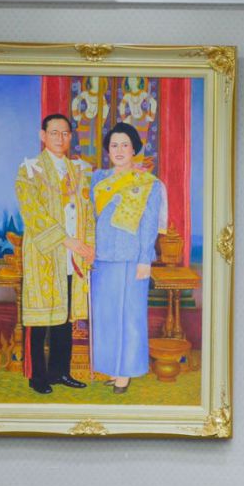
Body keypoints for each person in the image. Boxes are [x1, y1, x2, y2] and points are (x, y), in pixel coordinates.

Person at [14, 112, 95, 394]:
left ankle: (61, 372)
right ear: (43, 135)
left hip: (73, 258)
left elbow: (88, 212)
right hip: (45, 254)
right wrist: (65, 240)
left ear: (70, 137)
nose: (60, 138)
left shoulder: (79, 171)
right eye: (54, 132)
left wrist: (88, 246)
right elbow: (32, 213)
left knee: (65, 318)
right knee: (40, 320)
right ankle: (38, 376)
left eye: (65, 133)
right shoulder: (30, 170)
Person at [90, 122, 166, 394]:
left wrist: (145, 259)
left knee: (129, 315)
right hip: (101, 257)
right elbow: (88, 217)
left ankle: (126, 371)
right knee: (105, 315)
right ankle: (111, 367)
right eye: (114, 145)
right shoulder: (97, 179)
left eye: (125, 145)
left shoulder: (148, 184)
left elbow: (149, 224)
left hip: (132, 258)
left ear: (134, 149)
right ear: (107, 150)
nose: (119, 150)